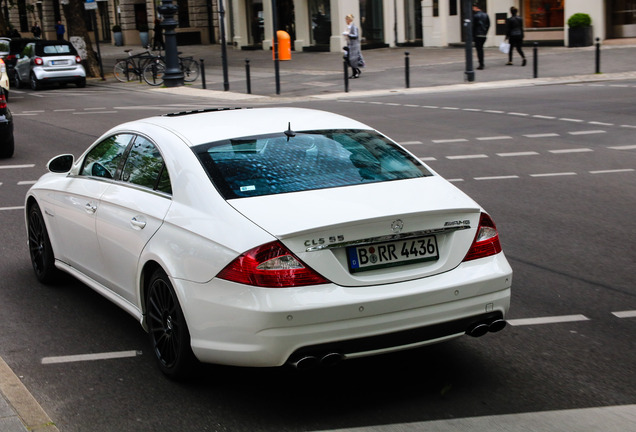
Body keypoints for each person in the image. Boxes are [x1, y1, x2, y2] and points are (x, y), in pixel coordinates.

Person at [343, 14, 364, 78]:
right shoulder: (348, 26)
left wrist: (348, 34)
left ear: (350, 20)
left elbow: (355, 35)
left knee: (353, 59)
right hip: (350, 44)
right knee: (348, 58)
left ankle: (355, 73)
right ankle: (356, 71)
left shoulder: (353, 27)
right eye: (346, 19)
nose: (346, 20)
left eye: (347, 19)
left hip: (354, 45)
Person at [472, 3, 490, 70]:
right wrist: (485, 32)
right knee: (481, 49)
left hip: (477, 34)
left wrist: (473, 35)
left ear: (476, 7)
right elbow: (488, 25)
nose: (473, 9)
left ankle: (481, 64)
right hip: (483, 34)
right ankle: (481, 63)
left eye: (473, 7)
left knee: (479, 50)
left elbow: (473, 26)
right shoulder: (486, 15)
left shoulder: (475, 16)